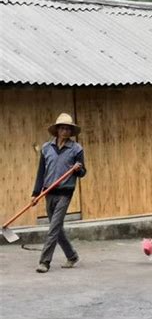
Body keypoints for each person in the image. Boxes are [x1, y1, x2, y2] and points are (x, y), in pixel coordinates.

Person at [32, 113, 86, 273]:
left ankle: (44, 262)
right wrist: (35, 193)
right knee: (57, 228)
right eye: (62, 128)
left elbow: (83, 172)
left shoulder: (76, 149)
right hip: (49, 191)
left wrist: (78, 168)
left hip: (65, 192)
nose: (65, 131)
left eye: (68, 129)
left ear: (71, 131)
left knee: (53, 227)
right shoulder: (46, 148)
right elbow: (41, 171)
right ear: (57, 130)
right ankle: (72, 256)